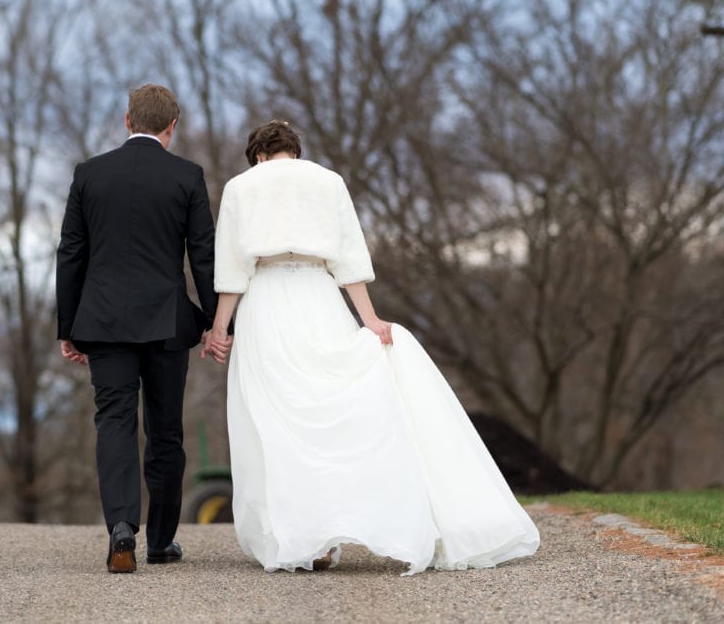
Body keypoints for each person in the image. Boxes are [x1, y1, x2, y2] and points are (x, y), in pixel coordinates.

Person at [202, 120, 539, 574]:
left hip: (267, 303)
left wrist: (220, 329)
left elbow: (232, 268)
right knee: (328, 415)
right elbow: (349, 259)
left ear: (258, 155)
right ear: (295, 152)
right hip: (319, 298)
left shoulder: (241, 187)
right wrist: (370, 319)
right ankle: (341, 526)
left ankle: (307, 541)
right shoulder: (329, 182)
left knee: (279, 424)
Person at [56, 84, 224, 573]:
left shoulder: (89, 174)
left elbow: (71, 253)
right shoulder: (187, 176)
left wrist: (68, 326)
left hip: (103, 322)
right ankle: (161, 541)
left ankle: (121, 528)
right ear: (172, 127)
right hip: (167, 323)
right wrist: (215, 322)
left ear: (127, 119)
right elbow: (203, 255)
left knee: (114, 422)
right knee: (166, 431)